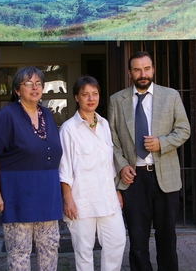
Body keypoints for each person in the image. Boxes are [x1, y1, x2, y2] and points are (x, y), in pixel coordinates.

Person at [108, 51, 191, 271]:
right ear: (129, 73)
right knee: (137, 240)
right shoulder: (117, 100)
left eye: (146, 68)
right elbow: (112, 140)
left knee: (167, 239)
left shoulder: (171, 95)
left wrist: (162, 143)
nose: (142, 74)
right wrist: (122, 164)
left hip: (165, 177)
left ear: (153, 69)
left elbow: (184, 129)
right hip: (134, 179)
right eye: (137, 69)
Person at [0, 66, 63, 270]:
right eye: (28, 83)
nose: (34, 87)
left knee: (50, 248)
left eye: (38, 83)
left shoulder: (46, 114)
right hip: (18, 195)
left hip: (47, 195)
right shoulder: (6, 116)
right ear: (17, 90)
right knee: (19, 252)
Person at [59, 76, 126, 271]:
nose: (91, 98)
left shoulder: (105, 125)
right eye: (85, 94)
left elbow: (110, 163)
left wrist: (117, 190)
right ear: (76, 97)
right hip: (82, 200)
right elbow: (64, 168)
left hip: (107, 198)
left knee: (117, 242)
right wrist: (67, 199)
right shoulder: (68, 129)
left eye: (95, 94)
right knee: (83, 251)